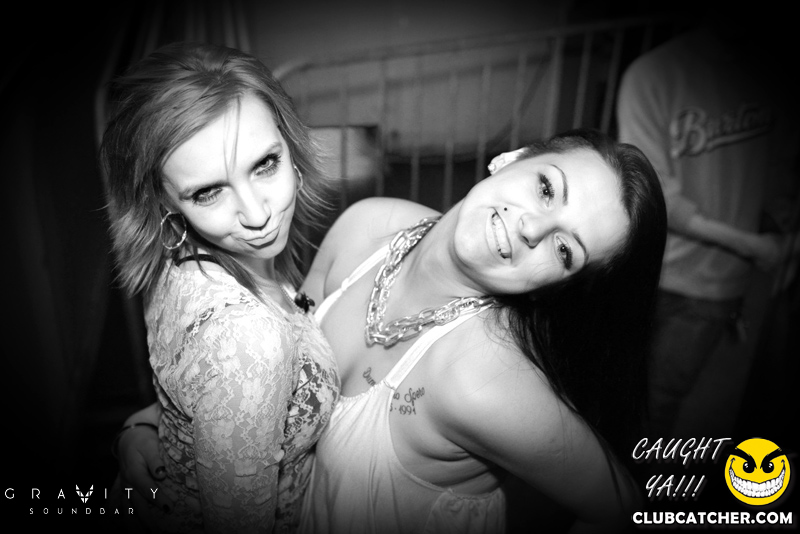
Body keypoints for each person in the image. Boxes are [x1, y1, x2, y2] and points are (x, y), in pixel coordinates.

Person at [120, 129, 667, 532]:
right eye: (546, 188)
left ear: (558, 286)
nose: (531, 227)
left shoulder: (481, 382)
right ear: (512, 158)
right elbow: (282, 355)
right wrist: (155, 421)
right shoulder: (369, 224)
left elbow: (620, 506)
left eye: (565, 250)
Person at [101, 41, 339, 533]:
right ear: (165, 201)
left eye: (265, 164)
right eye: (208, 192)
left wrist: (140, 424)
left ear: (288, 139)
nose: (257, 215)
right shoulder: (246, 337)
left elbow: (193, 400)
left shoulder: (184, 253)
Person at [616, 14, 800, 440]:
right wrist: (753, 245)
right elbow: (653, 191)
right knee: (614, 387)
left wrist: (782, 229)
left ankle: (634, 480)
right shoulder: (653, 75)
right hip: (640, 267)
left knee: (659, 402)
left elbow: (780, 174)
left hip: (715, 285)